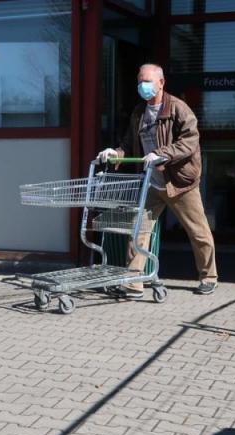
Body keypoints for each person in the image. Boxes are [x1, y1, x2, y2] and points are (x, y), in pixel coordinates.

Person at [97, 63, 218, 296]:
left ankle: (209, 277)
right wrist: (115, 153)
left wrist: (162, 154)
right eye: (140, 81)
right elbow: (128, 145)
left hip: (179, 182)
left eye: (147, 81)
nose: (142, 86)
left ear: (161, 83)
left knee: (198, 231)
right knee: (138, 230)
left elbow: (189, 141)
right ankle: (133, 283)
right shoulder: (139, 113)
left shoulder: (178, 109)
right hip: (151, 183)